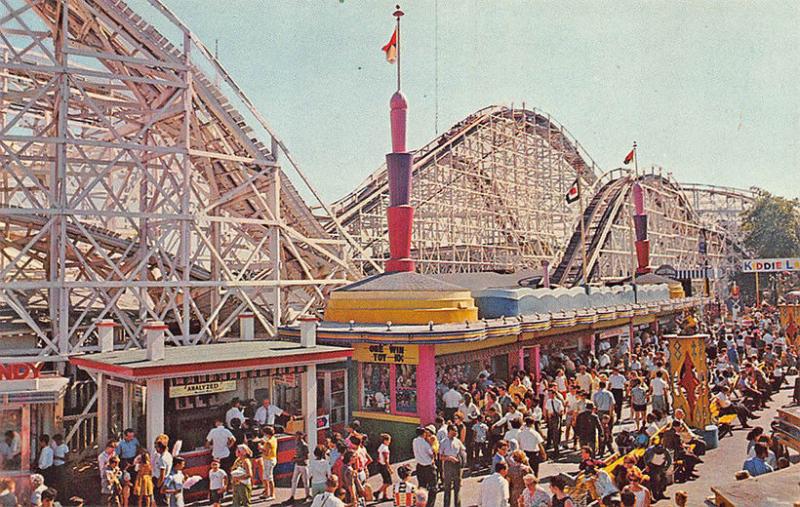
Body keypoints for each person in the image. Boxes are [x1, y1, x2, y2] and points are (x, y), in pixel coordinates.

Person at [439, 424, 466, 507]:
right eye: (454, 431)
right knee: (447, 487)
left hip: (457, 465)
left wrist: (462, 460)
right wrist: (449, 458)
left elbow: (463, 450)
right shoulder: (443, 442)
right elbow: (440, 456)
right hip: (448, 464)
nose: (455, 432)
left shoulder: (457, 441)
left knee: (457, 487)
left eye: (456, 431)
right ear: (449, 431)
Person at [412, 426, 436, 496]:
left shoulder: (414, 441)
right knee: (432, 487)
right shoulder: (425, 443)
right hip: (428, 466)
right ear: (424, 433)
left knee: (422, 487)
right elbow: (431, 453)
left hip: (419, 466)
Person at [288, 432, 310, 502]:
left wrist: (296, 459)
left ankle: (307, 495)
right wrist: (295, 458)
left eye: (297, 435)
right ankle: (292, 496)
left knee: (305, 482)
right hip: (298, 464)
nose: (295, 437)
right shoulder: (297, 444)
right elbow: (298, 454)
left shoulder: (304, 445)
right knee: (294, 481)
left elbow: (306, 457)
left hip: (303, 465)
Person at [259, 426, 278, 500]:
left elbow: (266, 453)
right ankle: (267, 493)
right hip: (271, 459)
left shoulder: (269, 442)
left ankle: (272, 494)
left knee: (269, 478)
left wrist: (261, 448)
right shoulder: (273, 439)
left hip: (269, 460)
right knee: (265, 477)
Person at [152, 440, 172, 505]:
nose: (156, 449)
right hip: (165, 480)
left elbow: (162, 473)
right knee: (164, 500)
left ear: (160, 448)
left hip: (160, 481)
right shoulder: (168, 455)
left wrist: (158, 485)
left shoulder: (162, 459)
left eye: (156, 447)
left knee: (161, 501)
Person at [50, 434, 69, 502]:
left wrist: (58, 457)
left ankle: (64, 498)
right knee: (56, 482)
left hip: (61, 466)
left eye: (56, 441)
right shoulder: (54, 446)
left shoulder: (64, 447)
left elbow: (67, 458)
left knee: (62, 483)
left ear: (60, 440)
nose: (55, 442)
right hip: (55, 466)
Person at [375, 434, 393, 502]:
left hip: (380, 465)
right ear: (385, 440)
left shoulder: (381, 447)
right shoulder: (385, 448)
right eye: (389, 440)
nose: (389, 442)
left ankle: (385, 496)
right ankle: (377, 492)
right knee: (389, 482)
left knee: (385, 481)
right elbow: (386, 460)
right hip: (384, 466)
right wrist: (389, 468)